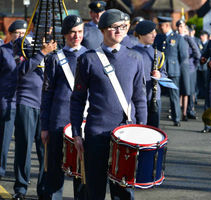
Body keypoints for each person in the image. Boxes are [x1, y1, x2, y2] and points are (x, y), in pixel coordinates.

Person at [70, 9, 147, 199]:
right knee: (94, 190)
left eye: (123, 27)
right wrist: (76, 134)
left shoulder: (135, 58)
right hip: (96, 133)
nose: (120, 31)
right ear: (103, 30)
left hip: (126, 134)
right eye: (114, 27)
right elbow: (77, 99)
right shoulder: (87, 59)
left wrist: (142, 131)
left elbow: (140, 99)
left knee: (123, 193)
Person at [41, 15, 88, 199]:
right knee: (54, 174)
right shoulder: (54, 59)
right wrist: (44, 126)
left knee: (83, 175)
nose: (76, 36)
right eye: (72, 33)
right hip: (58, 123)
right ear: (64, 35)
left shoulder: (92, 57)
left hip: (83, 122)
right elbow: (46, 95)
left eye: (80, 32)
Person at [12, 19, 57, 199]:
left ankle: (43, 189)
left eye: (50, 25)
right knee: (23, 146)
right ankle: (21, 188)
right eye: (43, 25)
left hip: (47, 105)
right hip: (27, 101)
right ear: (33, 25)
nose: (47, 28)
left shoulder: (56, 45)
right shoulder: (23, 43)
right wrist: (41, 53)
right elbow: (21, 70)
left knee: (44, 150)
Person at [0, 20, 26, 179]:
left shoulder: (29, 52)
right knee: (4, 140)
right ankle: (1, 171)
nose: (21, 36)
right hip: (6, 100)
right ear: (10, 34)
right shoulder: (3, 51)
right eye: (17, 33)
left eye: (23, 33)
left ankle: (21, 176)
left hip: (25, 102)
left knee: (23, 143)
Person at [154, 16, 189, 126]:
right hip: (159, 71)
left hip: (173, 71)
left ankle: (176, 118)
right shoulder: (159, 37)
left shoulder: (177, 38)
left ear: (167, 25)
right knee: (157, 95)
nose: (159, 27)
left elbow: (183, 56)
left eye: (161, 25)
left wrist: (175, 66)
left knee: (174, 96)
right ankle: (155, 119)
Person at [133, 20, 167, 128]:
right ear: (141, 34)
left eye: (155, 32)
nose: (155, 35)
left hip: (153, 98)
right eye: (151, 33)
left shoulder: (159, 54)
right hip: (135, 98)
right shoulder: (131, 52)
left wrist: (160, 76)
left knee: (153, 129)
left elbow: (165, 74)